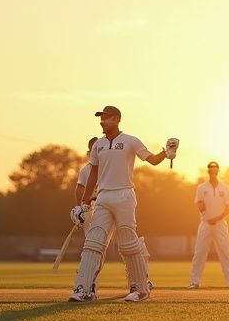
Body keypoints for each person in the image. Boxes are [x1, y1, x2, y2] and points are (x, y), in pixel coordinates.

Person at [68, 105, 177, 302]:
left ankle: (140, 289)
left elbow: (151, 159)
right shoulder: (98, 145)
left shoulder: (130, 141)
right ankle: (84, 290)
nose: (102, 121)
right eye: (101, 118)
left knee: (127, 242)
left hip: (124, 195)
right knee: (93, 242)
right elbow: (93, 174)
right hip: (103, 197)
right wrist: (84, 204)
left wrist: (166, 154)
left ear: (117, 119)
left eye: (107, 118)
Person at [189, 161, 229, 289]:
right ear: (208, 171)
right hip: (205, 223)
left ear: (218, 171)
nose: (213, 171)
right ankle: (194, 282)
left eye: (215, 169)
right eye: (211, 169)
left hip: (220, 223)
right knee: (199, 252)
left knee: (225, 252)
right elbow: (199, 203)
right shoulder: (201, 188)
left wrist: (217, 218)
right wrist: (202, 208)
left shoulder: (225, 187)